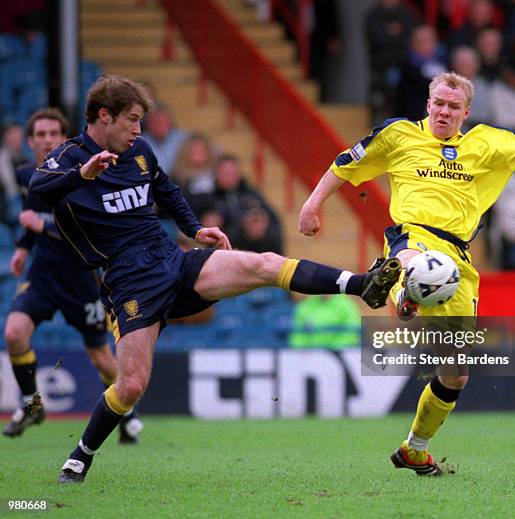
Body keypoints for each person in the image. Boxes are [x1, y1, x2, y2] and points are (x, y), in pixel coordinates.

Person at [29, 75, 401, 483]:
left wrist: (194, 229)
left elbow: (167, 191)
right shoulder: (69, 157)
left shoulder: (139, 152)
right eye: (132, 120)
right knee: (132, 385)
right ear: (105, 115)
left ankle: (361, 284)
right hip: (128, 281)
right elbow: (39, 191)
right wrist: (80, 175)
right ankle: (82, 454)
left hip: (173, 260)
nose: (138, 129)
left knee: (263, 264)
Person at [299, 72, 515, 475]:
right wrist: (312, 206)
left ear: (465, 112)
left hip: (459, 259)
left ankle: (415, 447)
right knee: (416, 263)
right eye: (439, 103)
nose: (444, 112)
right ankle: (401, 292)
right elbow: (346, 164)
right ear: (428, 103)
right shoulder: (399, 135)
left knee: (456, 373)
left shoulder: (485, 142)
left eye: (453, 107)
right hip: (411, 237)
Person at [3, 108, 142, 443]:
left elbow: (85, 225)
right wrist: (23, 247)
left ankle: (125, 410)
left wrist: (45, 226)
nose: (47, 140)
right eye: (40, 135)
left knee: (101, 357)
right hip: (44, 274)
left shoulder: (85, 174)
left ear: (64, 139)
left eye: (53, 134)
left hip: (81, 278)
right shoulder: (28, 176)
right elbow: (30, 215)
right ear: (31, 140)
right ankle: (32, 403)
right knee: (14, 333)